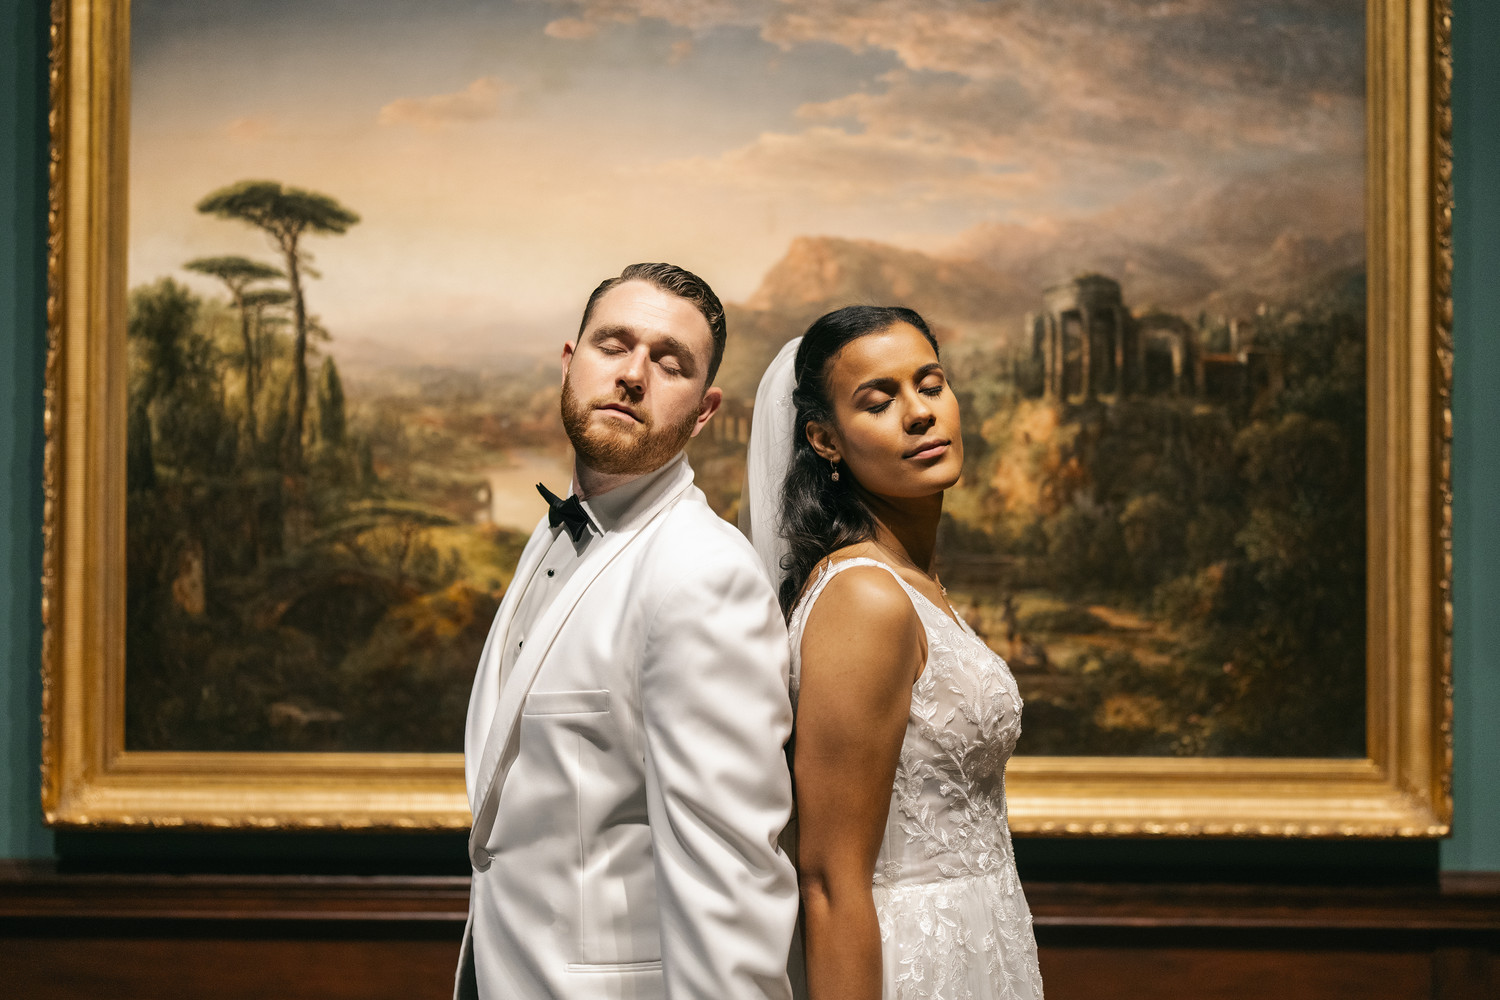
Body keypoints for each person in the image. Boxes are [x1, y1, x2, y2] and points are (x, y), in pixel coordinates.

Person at [458, 263, 800, 1000]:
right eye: (613, 345)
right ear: (569, 362)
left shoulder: (703, 574)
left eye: (669, 361)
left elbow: (731, 884)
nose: (634, 374)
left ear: (705, 412)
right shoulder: (551, 537)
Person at [742, 306, 1044, 1000]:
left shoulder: (914, 580)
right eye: (878, 401)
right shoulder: (865, 599)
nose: (918, 414)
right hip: (913, 960)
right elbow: (829, 879)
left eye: (930, 385)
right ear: (825, 439)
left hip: (983, 939)